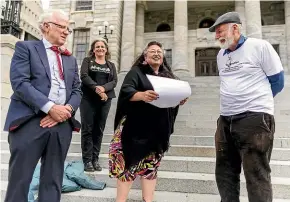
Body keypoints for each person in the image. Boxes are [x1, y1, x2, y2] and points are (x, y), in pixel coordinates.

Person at [4, 9, 82, 202]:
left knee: (53, 181)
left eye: (68, 29)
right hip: (30, 122)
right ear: (46, 27)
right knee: (20, 181)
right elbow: (20, 83)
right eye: (62, 27)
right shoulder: (26, 48)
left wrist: (66, 111)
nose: (66, 31)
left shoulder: (70, 59)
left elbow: (77, 90)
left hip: (62, 124)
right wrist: (50, 108)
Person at [209, 12, 284, 202]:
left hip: (254, 119)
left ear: (235, 28)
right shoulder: (221, 55)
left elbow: (277, 81)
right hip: (226, 120)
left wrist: (257, 102)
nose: (217, 36)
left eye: (220, 31)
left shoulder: (260, 47)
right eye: (216, 33)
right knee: (224, 172)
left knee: (256, 174)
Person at [108, 41, 187, 202]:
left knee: (150, 169)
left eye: (159, 51)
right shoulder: (136, 72)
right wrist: (142, 95)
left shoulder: (168, 76)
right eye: (152, 51)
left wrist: (178, 100)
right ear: (145, 56)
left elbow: (172, 99)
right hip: (133, 130)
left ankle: (148, 200)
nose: (157, 53)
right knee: (127, 167)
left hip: (156, 132)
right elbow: (126, 91)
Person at [80, 38, 118, 172]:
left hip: (105, 99)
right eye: (97, 47)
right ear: (93, 49)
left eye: (102, 47)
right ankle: (87, 160)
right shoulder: (87, 61)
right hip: (88, 99)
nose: (100, 48)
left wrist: (103, 88)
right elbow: (84, 76)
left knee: (99, 129)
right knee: (87, 129)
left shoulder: (111, 65)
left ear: (106, 50)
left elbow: (114, 81)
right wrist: (97, 88)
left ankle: (95, 159)